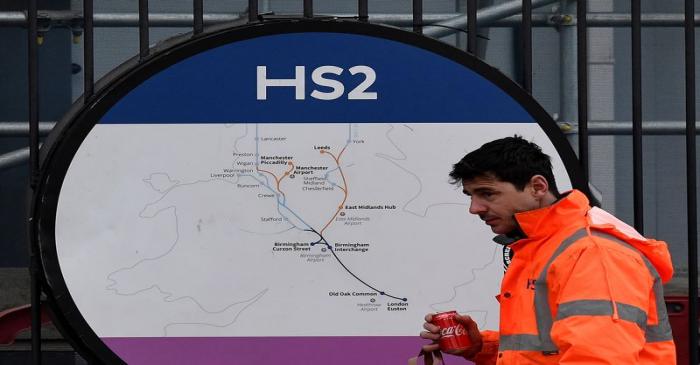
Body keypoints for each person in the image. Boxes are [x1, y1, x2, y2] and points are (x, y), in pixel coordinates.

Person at [420, 136, 676, 364]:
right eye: (471, 196)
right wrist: (481, 347)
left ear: (538, 187)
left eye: (487, 193)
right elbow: (551, 349)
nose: (475, 208)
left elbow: (596, 358)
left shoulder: (592, 252)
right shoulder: (545, 246)